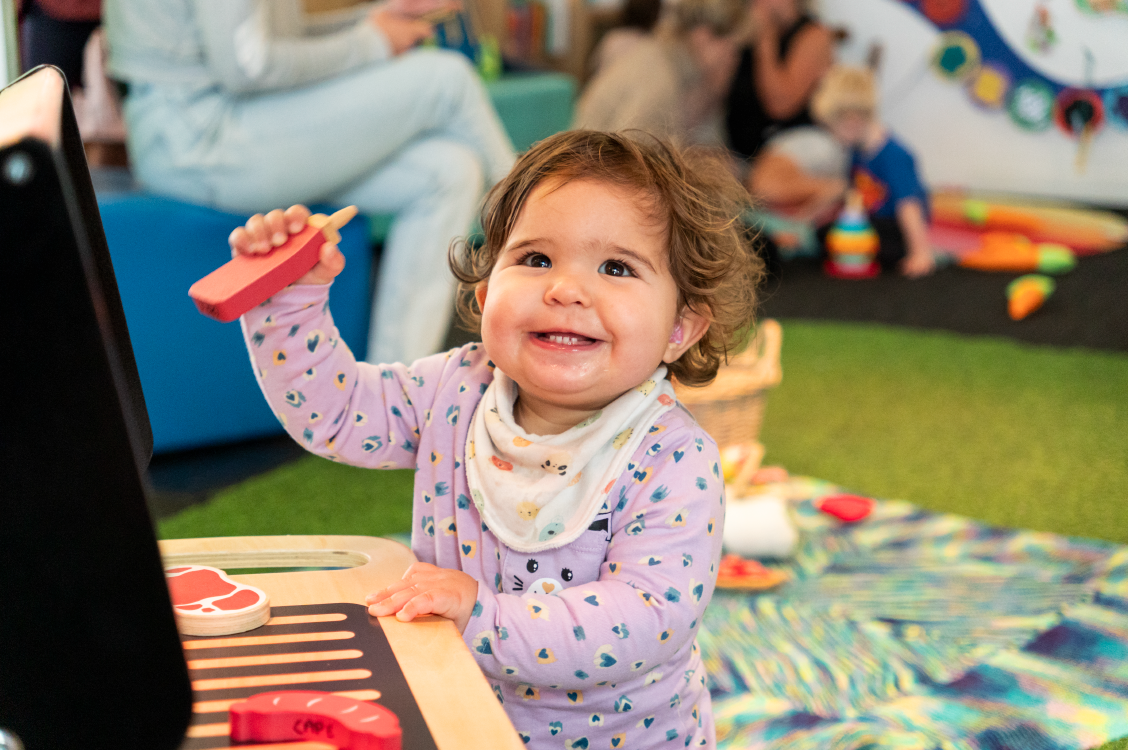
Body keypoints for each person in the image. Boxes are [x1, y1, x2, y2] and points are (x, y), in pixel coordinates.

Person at [229, 130, 762, 748]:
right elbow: (339, 413)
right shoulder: (456, 388)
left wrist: (483, 614)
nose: (564, 289)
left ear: (680, 328)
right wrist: (288, 300)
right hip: (459, 717)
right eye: (535, 260)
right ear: (485, 296)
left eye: (616, 267)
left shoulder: (672, 457)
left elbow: (644, 620)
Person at [103, 0, 515, 365]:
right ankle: (537, 238)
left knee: (449, 170)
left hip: (224, 133)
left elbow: (268, 41)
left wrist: (371, 21)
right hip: (202, 144)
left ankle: (396, 394)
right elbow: (249, 66)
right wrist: (371, 42)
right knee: (446, 79)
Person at [811, 65, 935, 277]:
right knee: (824, 233)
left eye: (833, 129)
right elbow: (846, 193)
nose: (833, 137)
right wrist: (804, 219)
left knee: (840, 240)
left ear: (852, 121)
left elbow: (909, 206)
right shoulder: (857, 152)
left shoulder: (894, 155)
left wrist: (920, 252)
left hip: (895, 229)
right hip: (871, 222)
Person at [574, 0, 743, 147]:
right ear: (703, 35)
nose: (734, 58)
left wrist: (712, 93)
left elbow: (711, 144)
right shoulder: (659, 75)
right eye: (732, 47)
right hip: (596, 169)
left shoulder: (679, 62)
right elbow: (634, 160)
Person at [724, 0, 834, 162]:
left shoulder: (814, 35)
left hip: (786, 149)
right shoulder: (744, 27)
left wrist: (765, 36)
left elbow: (780, 105)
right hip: (735, 148)